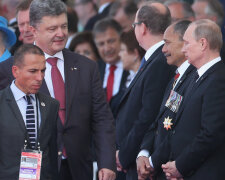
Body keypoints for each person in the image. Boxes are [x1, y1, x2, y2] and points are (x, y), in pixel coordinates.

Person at [29, 0, 116, 179]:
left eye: (64, 26)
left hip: (78, 169)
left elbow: (102, 118)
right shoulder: (12, 70)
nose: (61, 33)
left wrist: (107, 163)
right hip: (35, 170)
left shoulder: (87, 67)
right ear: (33, 31)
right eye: (52, 29)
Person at [158, 19, 225, 179]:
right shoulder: (196, 77)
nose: (183, 48)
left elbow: (211, 133)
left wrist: (180, 166)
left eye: (187, 43)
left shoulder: (218, 79)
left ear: (203, 44)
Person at [115, 3, 175, 179]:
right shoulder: (154, 60)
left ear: (143, 28)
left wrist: (126, 154)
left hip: (143, 163)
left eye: (134, 25)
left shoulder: (159, 63)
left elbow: (148, 115)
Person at [136, 20, 195, 180]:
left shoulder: (193, 79)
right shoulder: (176, 78)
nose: (163, 49)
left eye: (167, 43)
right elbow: (161, 119)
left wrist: (152, 162)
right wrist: (144, 152)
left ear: (185, 43)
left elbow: (178, 129)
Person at [0, 44, 59, 179]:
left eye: (43, 71)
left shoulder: (51, 105)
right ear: (15, 71)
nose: (40, 77)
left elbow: (52, 152)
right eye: (33, 71)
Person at [93, 18, 129, 118]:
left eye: (111, 41)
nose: (107, 48)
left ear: (121, 39)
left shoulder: (133, 68)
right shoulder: (93, 70)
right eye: (101, 44)